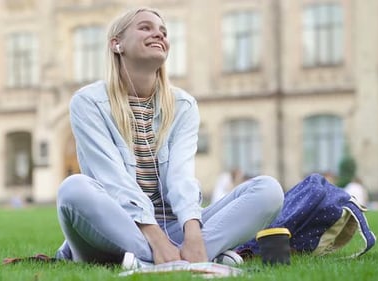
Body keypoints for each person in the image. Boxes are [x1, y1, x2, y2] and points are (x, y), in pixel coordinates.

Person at [55, 7, 284, 267]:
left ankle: (168, 259)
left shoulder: (183, 105)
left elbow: (181, 176)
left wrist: (193, 233)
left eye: (163, 32)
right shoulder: (88, 103)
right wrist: (156, 238)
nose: (159, 35)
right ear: (116, 44)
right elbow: (112, 180)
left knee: (268, 190)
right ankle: (190, 258)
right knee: (73, 189)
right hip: (114, 228)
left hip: (173, 230)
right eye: (145, 28)